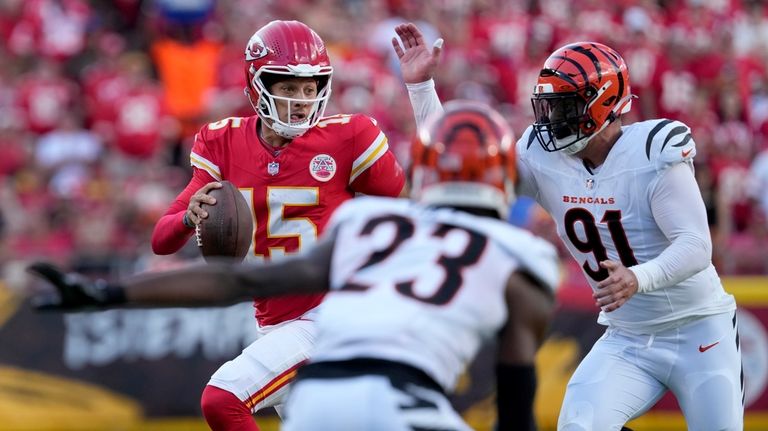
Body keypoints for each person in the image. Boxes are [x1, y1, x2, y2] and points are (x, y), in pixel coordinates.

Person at [27, 101, 560, 431]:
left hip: (326, 376)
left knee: (223, 397)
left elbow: (235, 280)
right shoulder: (524, 259)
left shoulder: (366, 225)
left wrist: (110, 293)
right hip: (399, 396)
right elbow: (515, 402)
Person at [393, 22, 743, 431]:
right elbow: (461, 168)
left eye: (564, 106)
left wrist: (638, 277)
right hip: (628, 337)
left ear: (604, 103)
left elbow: (697, 245)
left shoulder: (652, 152)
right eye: (549, 106)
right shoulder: (542, 156)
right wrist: (422, 89)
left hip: (700, 329)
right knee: (579, 425)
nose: (551, 119)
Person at [149, 20, 405, 430]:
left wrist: (422, 91)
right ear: (256, 83)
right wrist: (187, 216)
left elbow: (420, 202)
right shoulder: (222, 143)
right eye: (288, 86)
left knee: (223, 399)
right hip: (274, 322)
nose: (301, 100)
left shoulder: (349, 137)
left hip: (333, 315)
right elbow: (162, 241)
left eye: (310, 87)